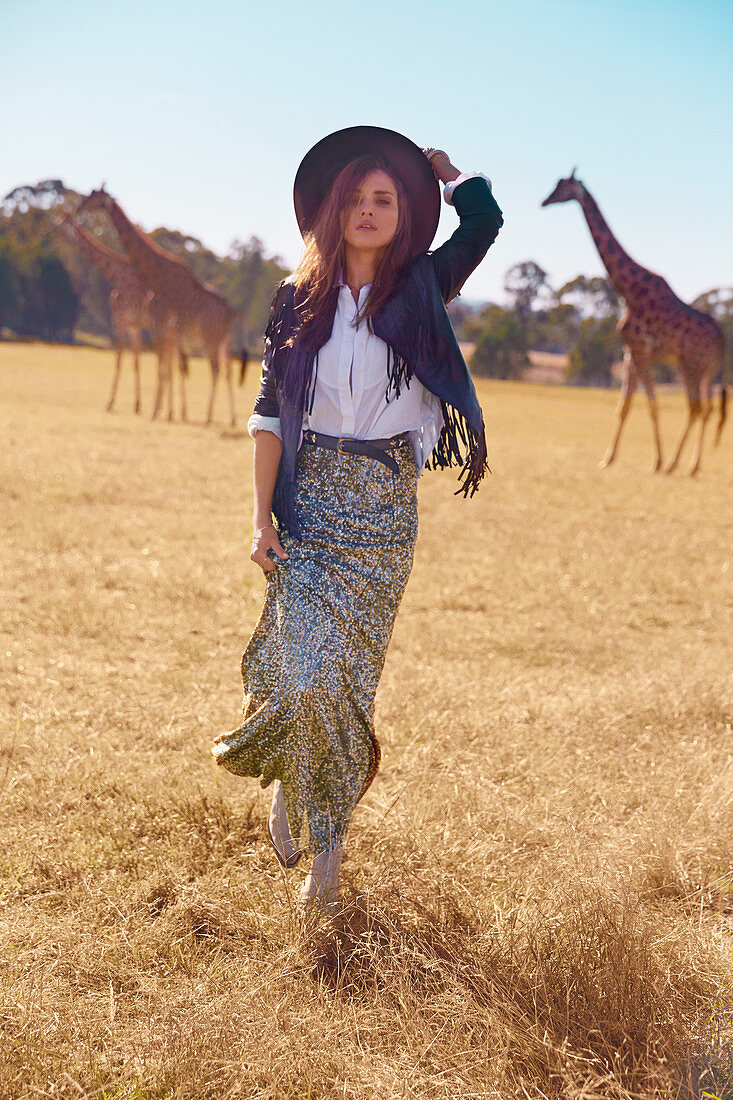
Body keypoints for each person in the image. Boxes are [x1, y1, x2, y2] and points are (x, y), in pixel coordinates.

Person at [212, 126, 503, 912]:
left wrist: (448, 175)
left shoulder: (421, 286)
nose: (370, 211)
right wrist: (261, 518)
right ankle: (290, 775)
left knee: (344, 692)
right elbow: (270, 413)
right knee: (301, 680)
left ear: (402, 212)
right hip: (307, 503)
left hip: (381, 508)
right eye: (357, 199)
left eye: (385, 200)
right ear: (332, 211)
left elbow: (483, 223)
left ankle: (327, 862)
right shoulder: (294, 295)